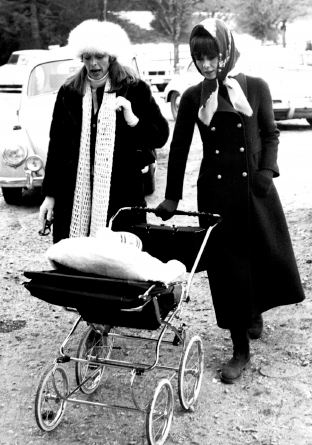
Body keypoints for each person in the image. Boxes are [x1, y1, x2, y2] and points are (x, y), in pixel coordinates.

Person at [156, 18, 305, 384]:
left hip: (255, 189)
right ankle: (240, 348)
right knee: (228, 272)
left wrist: (267, 172)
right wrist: (172, 196)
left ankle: (254, 313)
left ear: (227, 51)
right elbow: (179, 149)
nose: (207, 65)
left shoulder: (254, 87)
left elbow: (271, 134)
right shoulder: (194, 96)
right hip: (217, 194)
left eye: (212, 56)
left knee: (261, 259)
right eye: (199, 59)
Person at [39, 19, 169, 242]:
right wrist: (50, 195)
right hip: (74, 196)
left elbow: (161, 136)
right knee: (74, 263)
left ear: (111, 56)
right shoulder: (69, 92)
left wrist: (133, 120)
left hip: (122, 195)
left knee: (120, 265)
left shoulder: (135, 88)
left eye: (99, 56)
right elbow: (57, 146)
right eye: (87, 57)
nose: (93, 64)